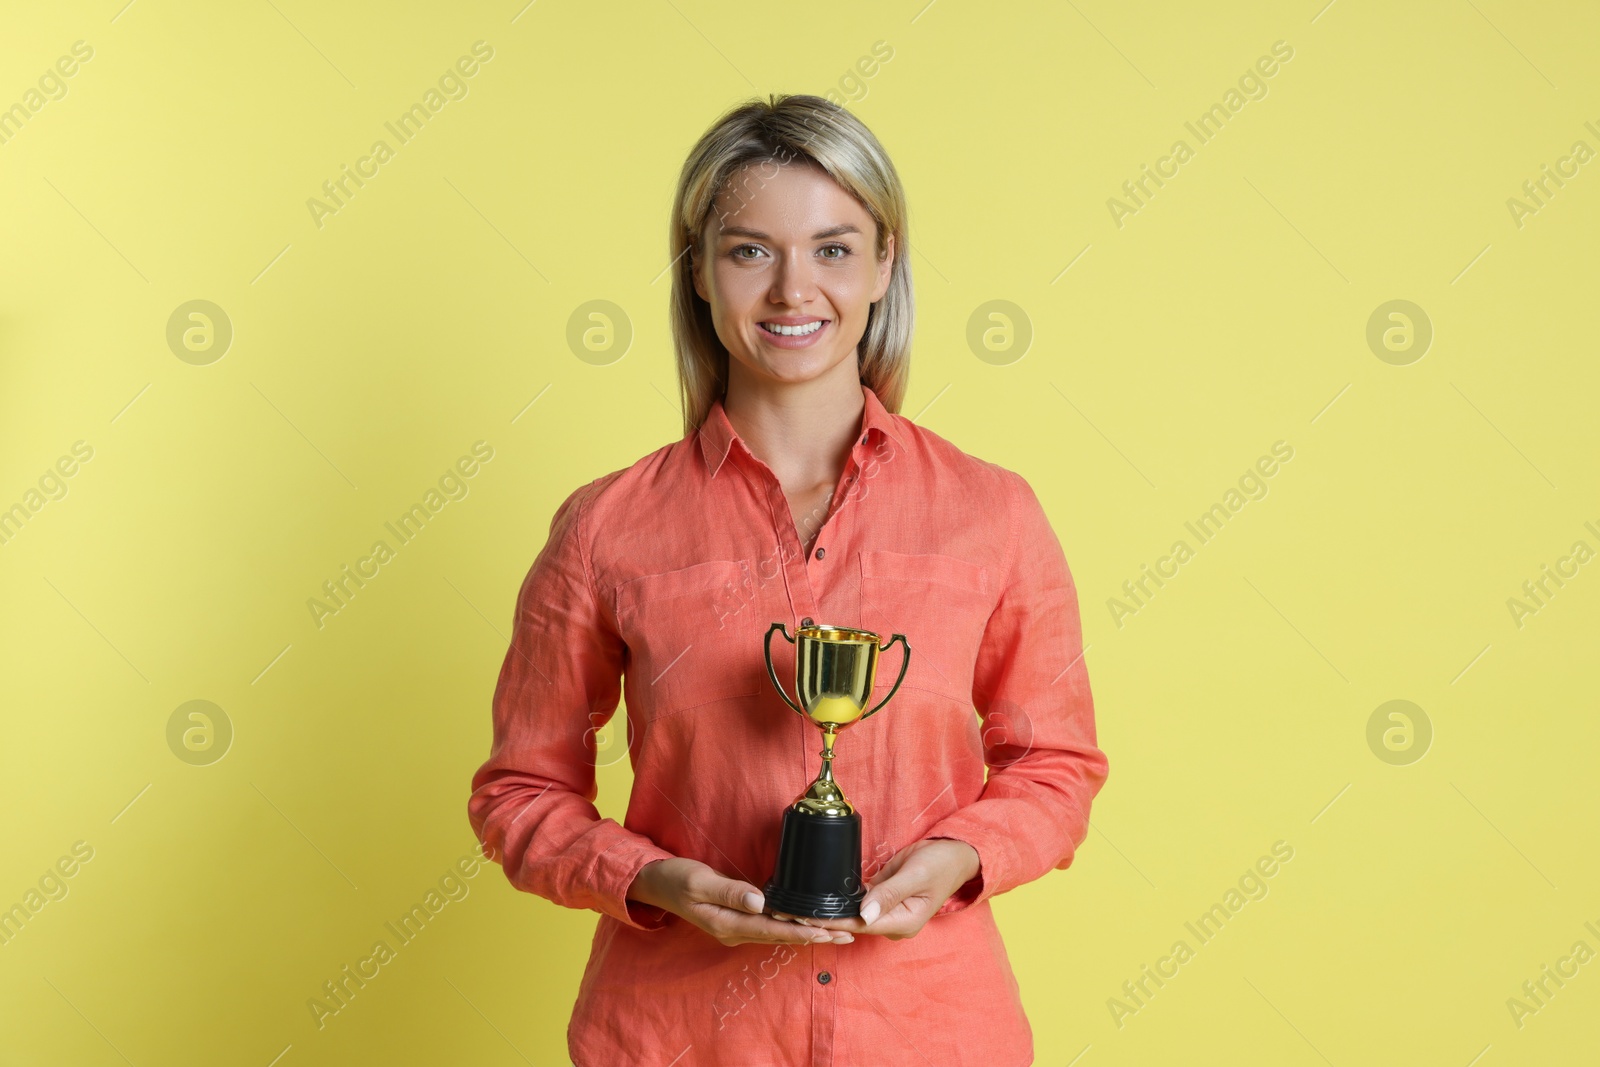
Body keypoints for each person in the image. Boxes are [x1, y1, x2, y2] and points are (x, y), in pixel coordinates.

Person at [467, 93, 1109, 1067]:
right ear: (698, 275)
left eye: (834, 248)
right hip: (678, 1034)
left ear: (885, 264)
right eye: (749, 250)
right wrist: (653, 880)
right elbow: (519, 789)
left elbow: (1055, 764)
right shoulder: (605, 527)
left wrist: (959, 858)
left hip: (930, 1032)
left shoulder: (993, 513)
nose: (792, 289)